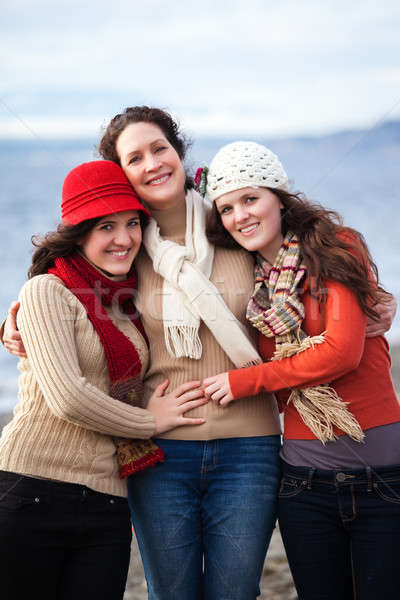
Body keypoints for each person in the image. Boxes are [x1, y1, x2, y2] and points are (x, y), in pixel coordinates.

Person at [1, 109, 396, 600]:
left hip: (248, 448)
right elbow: (71, 295)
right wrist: (13, 319)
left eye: (159, 149)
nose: (151, 164)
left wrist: (373, 299)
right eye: (134, 158)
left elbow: (303, 266)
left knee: (235, 592)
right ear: (120, 174)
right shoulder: (125, 250)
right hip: (163, 452)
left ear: (179, 153)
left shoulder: (229, 226)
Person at [0, 159, 207, 600]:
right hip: (31, 488)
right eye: (106, 227)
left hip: (108, 499)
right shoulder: (45, 290)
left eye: (133, 223)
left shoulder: (126, 304)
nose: (125, 238)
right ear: (79, 233)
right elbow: (68, 398)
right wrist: (151, 423)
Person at [203, 141, 400, 599]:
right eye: (227, 208)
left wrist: (244, 382)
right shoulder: (250, 283)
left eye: (250, 199)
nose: (240, 216)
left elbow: (341, 352)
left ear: (279, 197)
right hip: (303, 485)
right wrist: (16, 319)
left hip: (383, 478)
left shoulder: (336, 248)